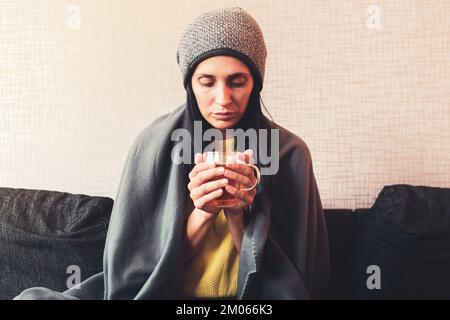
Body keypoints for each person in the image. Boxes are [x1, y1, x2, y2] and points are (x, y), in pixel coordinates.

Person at [15, 7, 329, 300]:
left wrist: (238, 214)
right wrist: (203, 212)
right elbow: (135, 273)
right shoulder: (153, 144)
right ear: (189, 84)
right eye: (206, 82)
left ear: (256, 83)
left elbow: (289, 283)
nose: (223, 99)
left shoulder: (289, 154)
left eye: (237, 82)